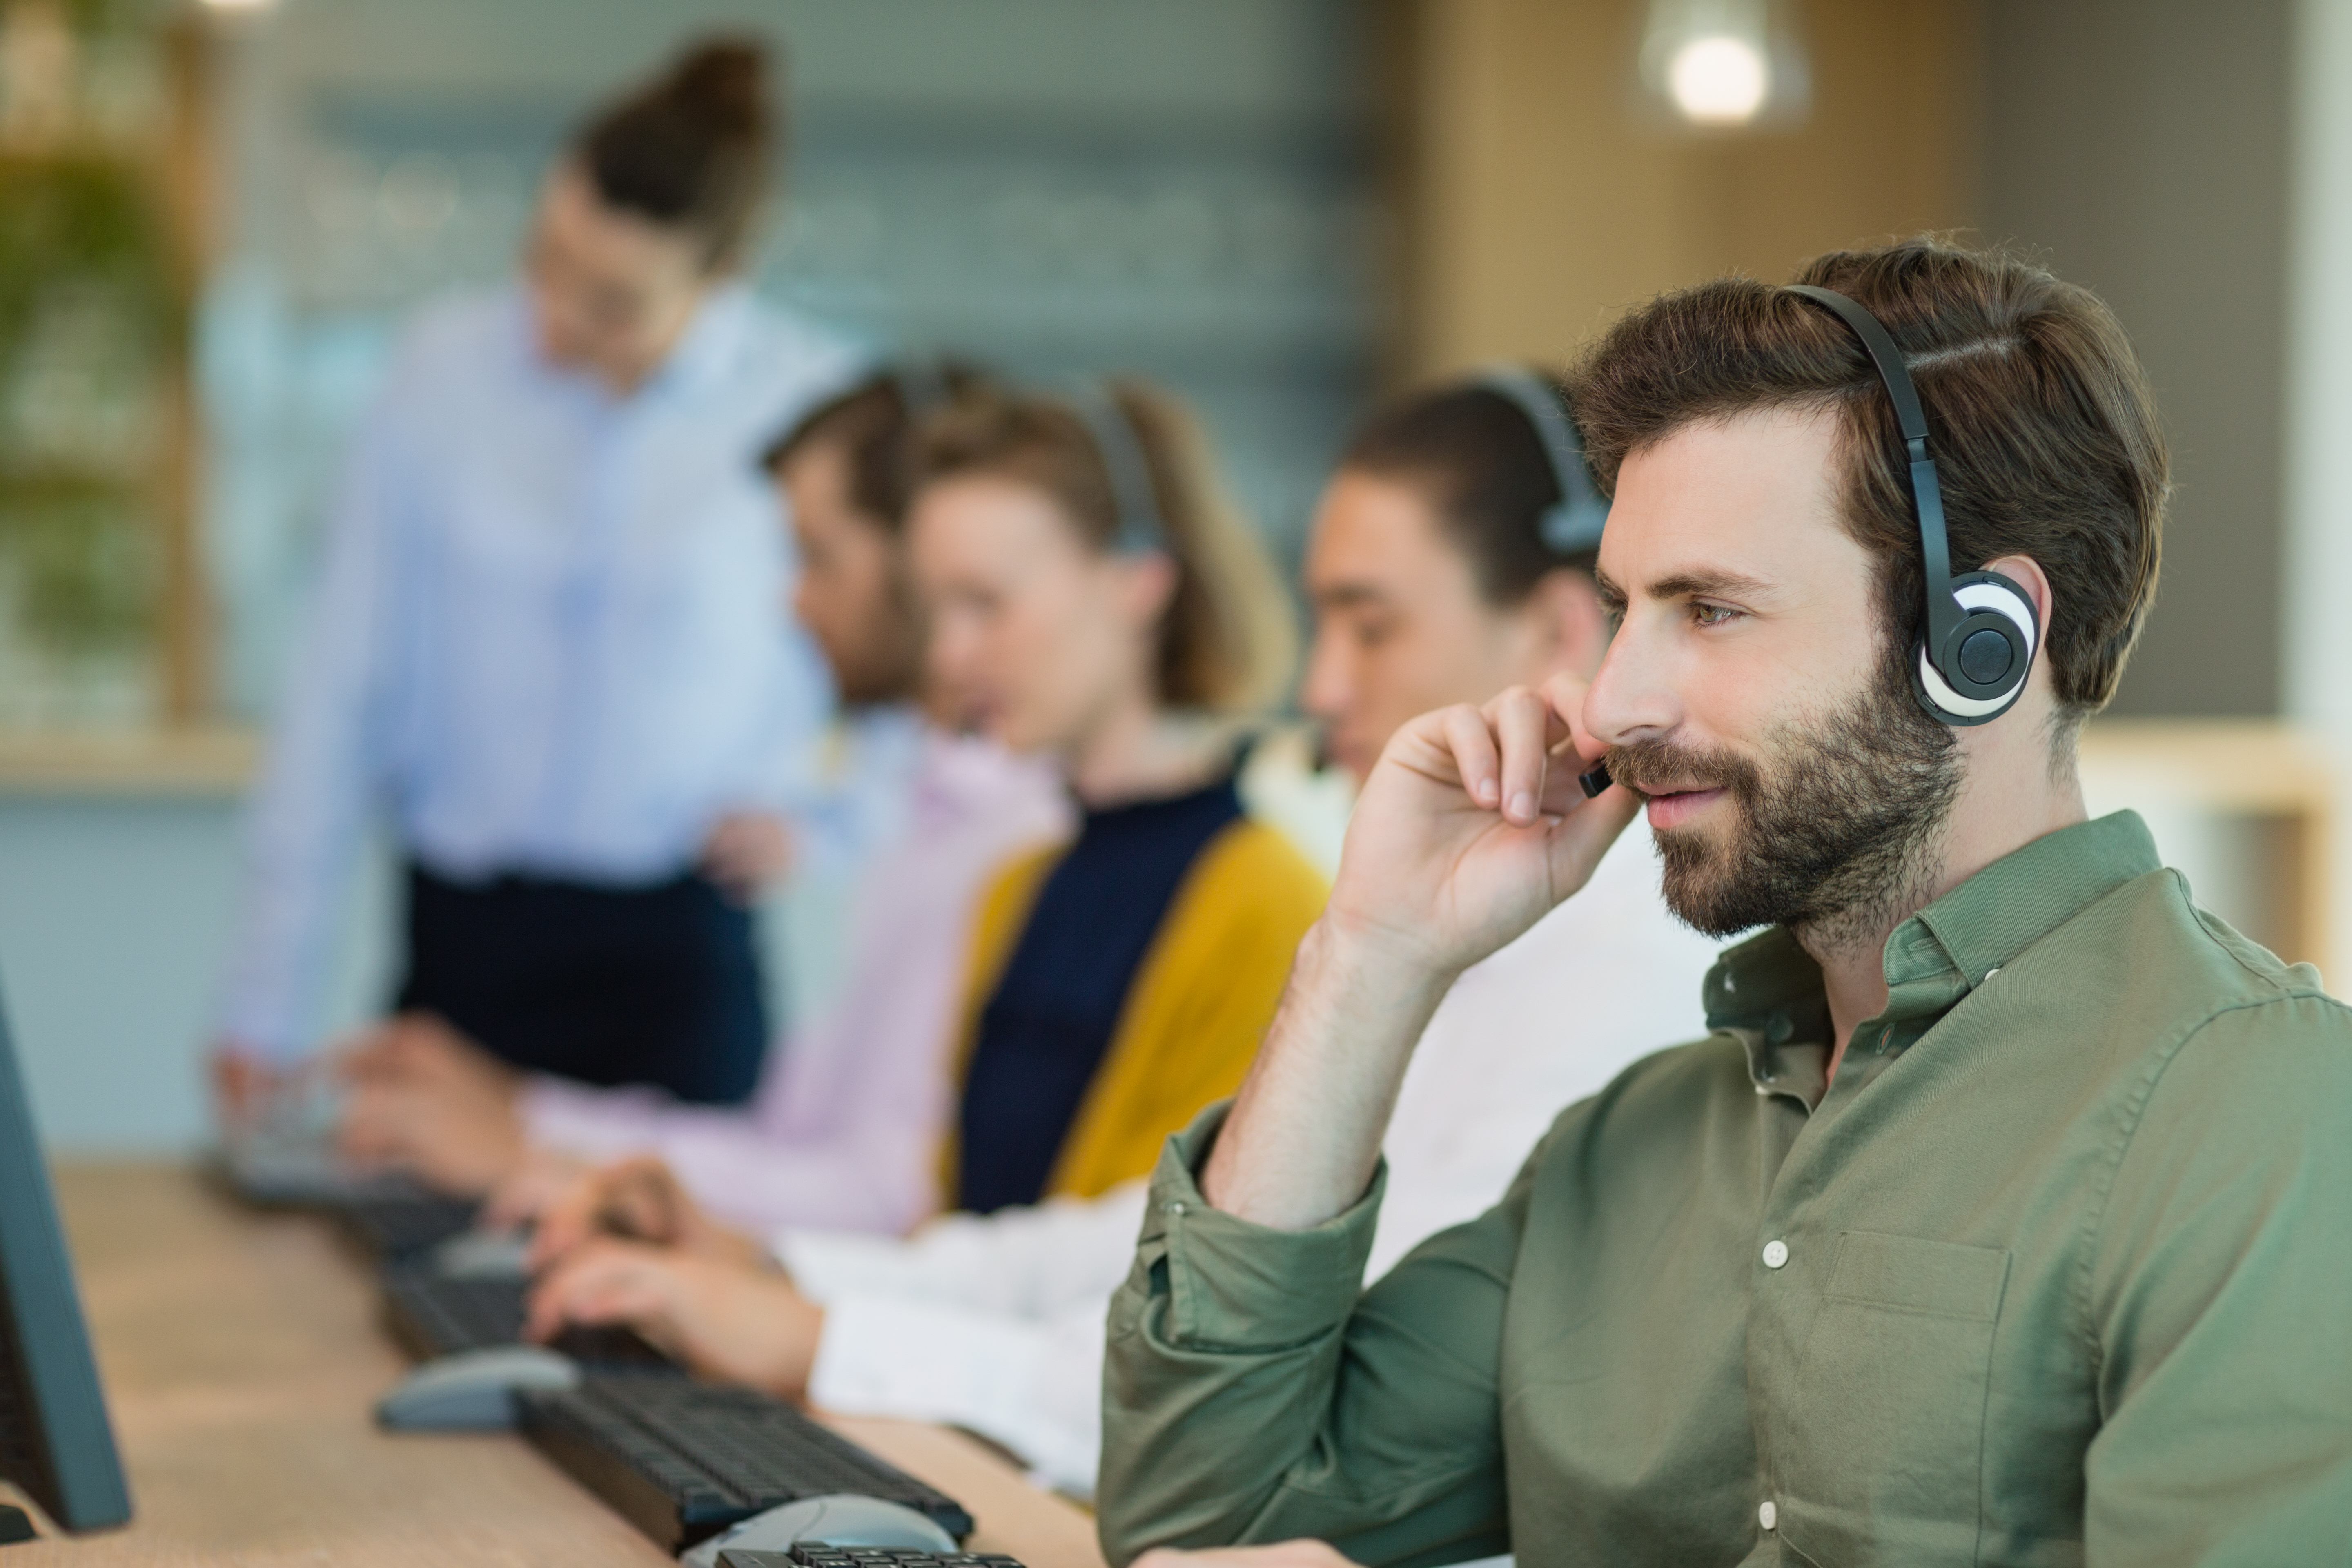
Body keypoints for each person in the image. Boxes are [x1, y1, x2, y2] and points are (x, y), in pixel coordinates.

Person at [1098, 238, 2352, 1568]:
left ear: (1981, 640)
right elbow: (1201, 1522)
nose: (1619, 699)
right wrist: (1373, 956)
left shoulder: (2267, 1120)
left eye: (1712, 610)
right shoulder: (1630, 1148)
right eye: (1624, 607)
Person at [509, 372, 1717, 1497]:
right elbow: (1174, 1242)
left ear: (1561, 634)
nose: (1322, 690)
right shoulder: (1473, 931)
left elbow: (1291, 1378)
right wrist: (793, 1278)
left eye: (1371, 625)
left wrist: (828, 1333)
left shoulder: (1616, 977)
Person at [212, 38, 864, 1118]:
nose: (559, 313)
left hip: (675, 959)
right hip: (467, 947)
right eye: (546, 259)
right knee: (419, 1277)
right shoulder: (439, 372)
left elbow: (905, 651)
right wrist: (262, 1000)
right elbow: (339, 686)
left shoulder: (804, 402)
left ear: (719, 284)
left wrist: (838, 823)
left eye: (612, 298)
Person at [331, 368, 1072, 1236]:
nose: (793, 601)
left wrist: (530, 1149)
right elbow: (782, 1147)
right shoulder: (926, 817)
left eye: (818, 556)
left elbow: (884, 1199)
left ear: (921, 557)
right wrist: (519, 1109)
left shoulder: (1002, 844)